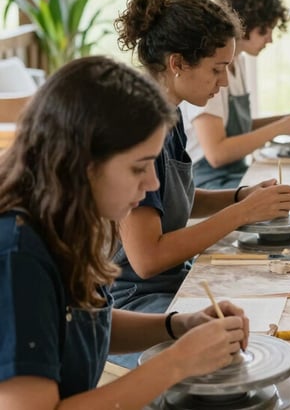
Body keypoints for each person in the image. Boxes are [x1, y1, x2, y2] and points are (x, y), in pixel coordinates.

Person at [0, 57, 249, 408]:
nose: (152, 183)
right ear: (82, 164)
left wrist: (179, 326)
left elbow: (86, 324)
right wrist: (177, 361)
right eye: (139, 168)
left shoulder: (66, 219)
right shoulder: (18, 255)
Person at [110, 0, 290, 365]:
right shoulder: (136, 125)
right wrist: (240, 215)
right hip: (132, 302)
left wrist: (241, 196)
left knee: (275, 296)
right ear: (177, 63)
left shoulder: (171, 114)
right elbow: (146, 259)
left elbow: (173, 200)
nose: (224, 81)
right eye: (216, 68)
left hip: (172, 283)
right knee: (232, 361)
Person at [183, 0, 290, 189]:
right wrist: (281, 127)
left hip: (233, 172)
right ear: (243, 25)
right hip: (207, 181)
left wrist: (289, 120)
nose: (270, 39)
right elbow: (217, 154)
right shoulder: (211, 72)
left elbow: (239, 129)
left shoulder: (239, 62)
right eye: (264, 30)